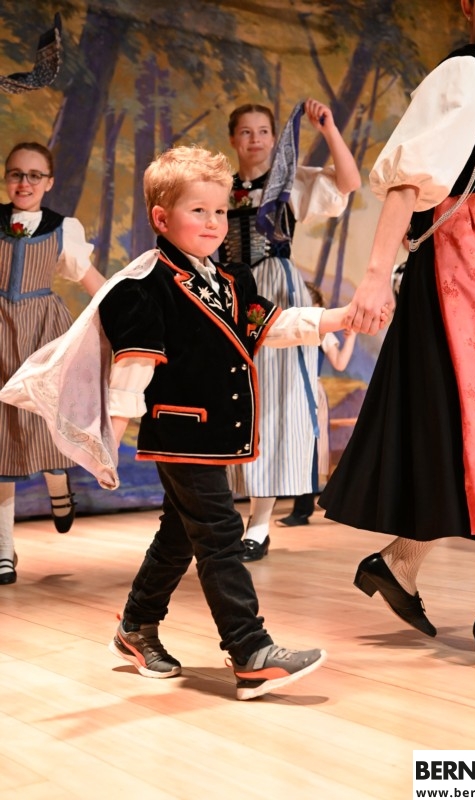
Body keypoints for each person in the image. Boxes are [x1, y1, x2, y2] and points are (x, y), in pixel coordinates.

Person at [66, 144, 360, 700]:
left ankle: (135, 626)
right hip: (180, 433)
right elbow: (131, 372)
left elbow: (272, 326)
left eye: (220, 211)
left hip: (216, 436)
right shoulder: (142, 286)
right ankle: (250, 651)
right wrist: (106, 445)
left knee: (180, 534)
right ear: (161, 218)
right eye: (198, 210)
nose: (213, 222)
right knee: (221, 536)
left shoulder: (231, 279)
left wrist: (338, 317)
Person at [321, 0, 475, 654]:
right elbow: (409, 182)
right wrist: (373, 275)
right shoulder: (462, 75)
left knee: (474, 420)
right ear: (466, 8)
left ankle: (405, 563)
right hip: (466, 251)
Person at [220, 98, 362, 562]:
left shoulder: (291, 181)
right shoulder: (220, 187)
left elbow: (349, 183)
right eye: (246, 132)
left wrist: (328, 129)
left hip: (276, 292)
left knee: (275, 401)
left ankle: (259, 525)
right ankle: (220, 515)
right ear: (233, 139)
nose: (255, 139)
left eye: (263, 131)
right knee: (233, 399)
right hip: (228, 292)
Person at [0, 142, 105, 585]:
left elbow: (90, 280)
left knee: (47, 421)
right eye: (16, 174)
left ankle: (59, 484)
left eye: (34, 175)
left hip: (42, 329)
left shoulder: (63, 229)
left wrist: (129, 314)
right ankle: (4, 550)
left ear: (49, 182)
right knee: (1, 439)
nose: (24, 183)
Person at [276, 281, 357, 527]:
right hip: (287, 391)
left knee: (309, 448)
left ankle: (302, 509)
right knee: (287, 446)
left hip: (311, 391)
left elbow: (340, 363)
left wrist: (351, 336)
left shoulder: (323, 331)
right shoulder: (288, 328)